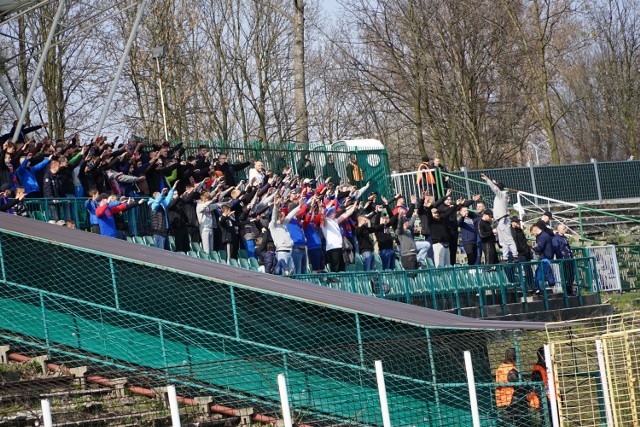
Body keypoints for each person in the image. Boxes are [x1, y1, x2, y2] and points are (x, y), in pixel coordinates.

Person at [480, 173, 518, 263]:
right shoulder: (500, 196)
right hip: (499, 221)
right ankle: (505, 257)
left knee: (508, 239)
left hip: (503, 220)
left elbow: (495, 188)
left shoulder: (502, 195)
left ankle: (515, 256)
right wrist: (495, 183)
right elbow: (497, 188)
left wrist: (487, 180)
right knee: (502, 240)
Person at [149, 180, 178, 250]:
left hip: (164, 232)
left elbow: (167, 199)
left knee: (167, 253)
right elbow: (157, 202)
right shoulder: (152, 205)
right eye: (160, 196)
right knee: (160, 253)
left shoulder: (162, 205)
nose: (162, 197)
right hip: (158, 233)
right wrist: (162, 194)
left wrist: (173, 188)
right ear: (156, 197)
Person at [531, 224, 556, 294]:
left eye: (533, 234)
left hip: (545, 258)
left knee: (540, 274)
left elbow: (540, 247)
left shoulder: (543, 237)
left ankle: (540, 289)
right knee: (544, 273)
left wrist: (532, 249)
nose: (534, 235)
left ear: (535, 230)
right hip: (545, 257)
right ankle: (547, 286)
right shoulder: (542, 236)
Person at [511, 217, 534, 289]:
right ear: (512, 223)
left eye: (518, 222)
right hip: (520, 254)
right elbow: (515, 243)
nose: (518, 223)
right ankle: (524, 287)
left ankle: (531, 285)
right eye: (517, 222)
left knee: (528, 270)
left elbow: (524, 241)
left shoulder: (519, 230)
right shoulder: (511, 231)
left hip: (525, 253)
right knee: (522, 271)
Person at [552, 224, 575, 295]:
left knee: (571, 274)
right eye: (563, 229)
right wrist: (561, 256)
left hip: (568, 258)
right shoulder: (555, 238)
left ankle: (570, 290)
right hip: (563, 259)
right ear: (559, 229)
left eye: (565, 228)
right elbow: (556, 248)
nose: (565, 230)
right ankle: (567, 291)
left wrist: (571, 255)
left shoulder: (564, 237)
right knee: (566, 275)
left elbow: (567, 247)